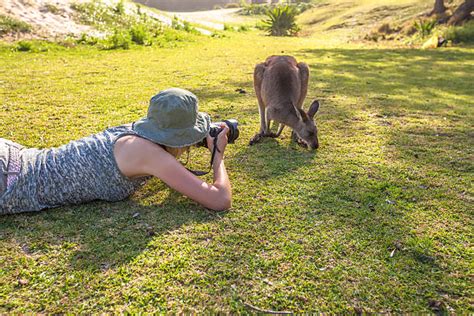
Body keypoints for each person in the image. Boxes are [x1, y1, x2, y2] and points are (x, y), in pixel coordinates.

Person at [0, 88, 232, 215]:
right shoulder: (150, 155)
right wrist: (217, 157)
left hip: (15, 156)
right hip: (11, 181)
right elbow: (219, 200)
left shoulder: (136, 134)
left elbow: (174, 176)